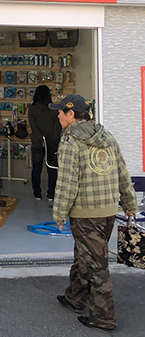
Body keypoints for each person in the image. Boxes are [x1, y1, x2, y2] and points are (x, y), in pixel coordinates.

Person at [50, 94, 137, 332]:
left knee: (96, 265)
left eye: (60, 111)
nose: (57, 115)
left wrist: (59, 214)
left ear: (71, 114)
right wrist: (130, 203)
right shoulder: (106, 135)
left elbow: (68, 182)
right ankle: (75, 297)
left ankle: (104, 318)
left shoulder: (70, 141)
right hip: (107, 210)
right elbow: (122, 172)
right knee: (84, 254)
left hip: (85, 212)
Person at [29, 85, 61, 203]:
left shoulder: (32, 108)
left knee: (36, 169)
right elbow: (57, 127)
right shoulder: (54, 109)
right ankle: (51, 195)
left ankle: (37, 193)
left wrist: (41, 139)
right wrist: (50, 140)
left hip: (37, 143)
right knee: (52, 169)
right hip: (52, 143)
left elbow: (33, 127)